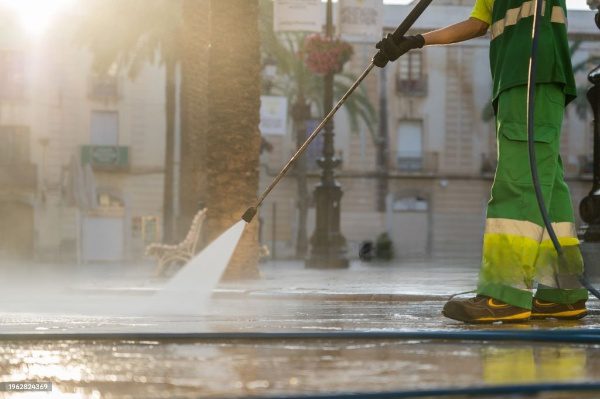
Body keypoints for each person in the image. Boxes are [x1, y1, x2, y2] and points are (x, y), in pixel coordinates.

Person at [374, 0, 589, 323]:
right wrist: (415, 41)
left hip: (533, 75)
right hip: (518, 82)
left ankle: (505, 293)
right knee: (549, 189)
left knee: (517, 181)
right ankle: (562, 292)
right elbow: (477, 23)